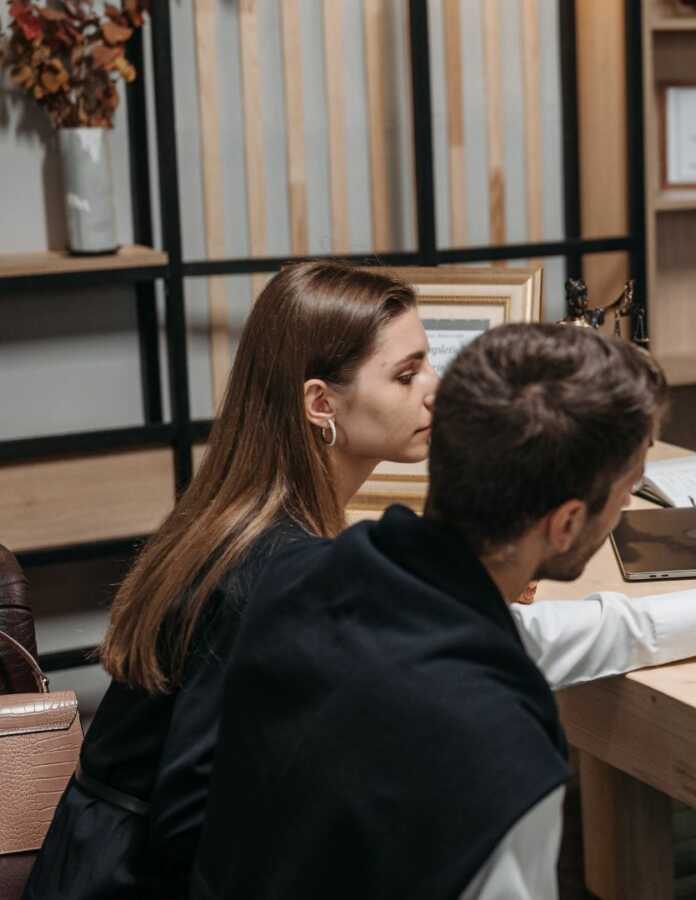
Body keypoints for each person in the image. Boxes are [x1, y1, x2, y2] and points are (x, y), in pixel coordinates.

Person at [191, 324, 696, 899]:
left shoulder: (326, 580)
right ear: (563, 525)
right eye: (626, 492)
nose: (628, 507)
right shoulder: (498, 753)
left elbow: (547, 633)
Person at [26, 261, 439, 898]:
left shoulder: (244, 515)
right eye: (407, 374)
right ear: (320, 403)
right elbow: (195, 818)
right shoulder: (273, 563)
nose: (434, 389)